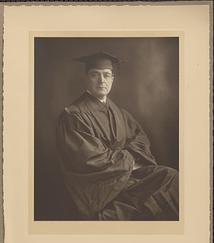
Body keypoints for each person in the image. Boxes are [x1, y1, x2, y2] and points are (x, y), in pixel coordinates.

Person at [56, 52, 179, 221]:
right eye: (95, 75)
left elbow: (139, 139)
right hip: (100, 185)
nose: (102, 81)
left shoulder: (118, 112)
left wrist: (128, 162)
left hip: (125, 173)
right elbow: (89, 159)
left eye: (106, 75)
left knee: (170, 176)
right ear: (86, 78)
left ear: (112, 79)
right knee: (151, 196)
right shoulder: (73, 115)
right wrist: (129, 162)